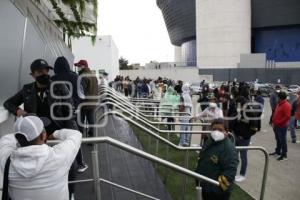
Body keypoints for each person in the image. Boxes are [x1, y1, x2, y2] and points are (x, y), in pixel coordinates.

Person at [3, 58, 80, 198]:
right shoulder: (27, 89)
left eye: (46, 70)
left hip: (56, 133)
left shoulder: (60, 86)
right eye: (39, 72)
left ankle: (70, 192)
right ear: (32, 74)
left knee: (71, 165)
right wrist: (18, 111)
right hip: (35, 135)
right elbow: (8, 103)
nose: (44, 73)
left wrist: (64, 135)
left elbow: (69, 112)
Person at [0, 115, 82, 200]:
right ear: (43, 136)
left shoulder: (6, 161)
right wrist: (54, 134)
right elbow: (76, 134)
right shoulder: (59, 155)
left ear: (17, 138)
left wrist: (21, 131)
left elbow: (5, 139)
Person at [52, 56, 88, 173]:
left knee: (59, 139)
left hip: (56, 115)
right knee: (74, 138)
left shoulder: (53, 79)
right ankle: (81, 163)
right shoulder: (75, 77)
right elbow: (82, 95)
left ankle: (62, 165)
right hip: (74, 114)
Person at [195, 118, 238, 200]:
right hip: (204, 186)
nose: (216, 132)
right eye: (214, 129)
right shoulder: (210, 141)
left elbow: (230, 172)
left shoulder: (229, 149)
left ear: (226, 131)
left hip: (215, 192)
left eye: (220, 130)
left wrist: (214, 189)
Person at [74, 59, 99, 137]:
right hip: (93, 102)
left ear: (83, 66)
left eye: (78, 66)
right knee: (91, 121)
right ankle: (92, 137)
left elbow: (81, 92)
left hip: (84, 103)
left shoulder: (83, 76)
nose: (77, 68)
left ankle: (79, 138)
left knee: (80, 121)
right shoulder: (93, 75)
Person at [270, 91, 291, 161]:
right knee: (278, 139)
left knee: (282, 141)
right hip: (276, 126)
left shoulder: (286, 105)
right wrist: (273, 121)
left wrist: (278, 122)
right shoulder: (279, 104)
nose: (277, 98)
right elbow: (276, 113)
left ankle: (284, 155)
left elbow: (287, 116)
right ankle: (278, 151)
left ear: (280, 98)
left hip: (281, 126)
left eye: (278, 97)